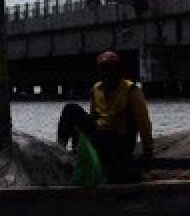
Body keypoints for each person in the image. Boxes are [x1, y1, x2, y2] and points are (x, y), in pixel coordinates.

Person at [56, 50, 153, 181]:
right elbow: (92, 118)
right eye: (102, 69)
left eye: (109, 69)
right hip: (99, 135)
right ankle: (59, 151)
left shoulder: (131, 91)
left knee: (103, 135)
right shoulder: (96, 89)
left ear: (118, 71)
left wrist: (148, 152)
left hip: (119, 141)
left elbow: (144, 124)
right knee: (70, 109)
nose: (105, 73)